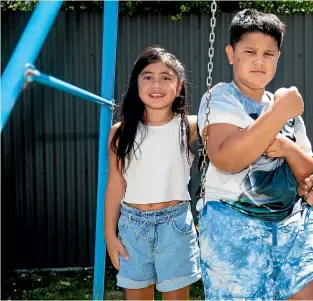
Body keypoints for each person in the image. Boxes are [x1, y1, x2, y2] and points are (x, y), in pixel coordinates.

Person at [197, 9, 313, 300]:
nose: (260, 60)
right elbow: (227, 157)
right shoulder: (221, 97)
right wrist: (278, 113)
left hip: (289, 224)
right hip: (233, 221)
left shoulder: (286, 110)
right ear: (230, 53)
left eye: (269, 53)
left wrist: (286, 148)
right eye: (249, 51)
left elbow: (307, 171)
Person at [104, 46, 201, 300]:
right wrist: (110, 236)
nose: (156, 84)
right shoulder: (120, 132)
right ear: (136, 83)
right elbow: (115, 186)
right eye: (147, 77)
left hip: (175, 226)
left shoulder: (189, 126)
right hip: (132, 227)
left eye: (166, 77)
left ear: (178, 87)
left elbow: (229, 137)